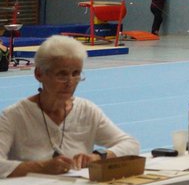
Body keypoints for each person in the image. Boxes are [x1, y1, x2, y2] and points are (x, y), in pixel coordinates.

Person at [0, 37, 139, 177]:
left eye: (76, 74)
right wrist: (42, 167)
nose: (70, 82)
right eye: (62, 74)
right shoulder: (14, 116)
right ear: (39, 74)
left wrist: (98, 156)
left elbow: (131, 145)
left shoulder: (87, 110)